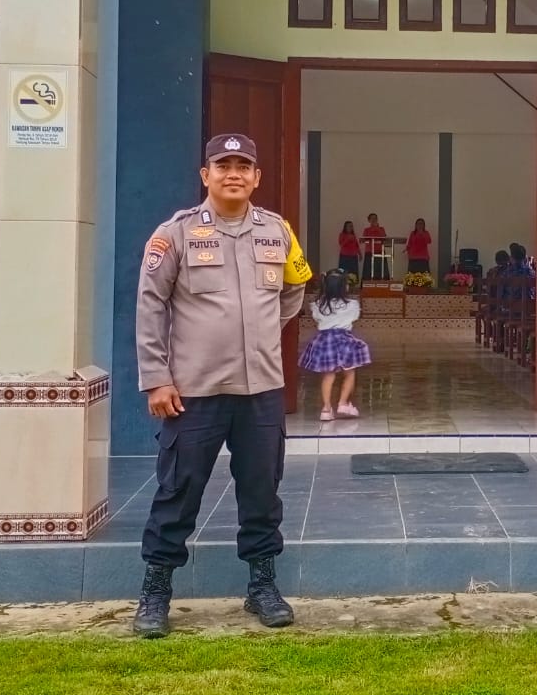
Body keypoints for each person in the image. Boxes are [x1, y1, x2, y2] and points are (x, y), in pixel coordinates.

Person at [132, 132, 313, 638]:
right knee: (178, 490)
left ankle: (262, 587)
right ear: (205, 175)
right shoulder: (175, 234)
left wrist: (258, 331)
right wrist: (157, 378)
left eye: (243, 166)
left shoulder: (278, 231)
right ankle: (155, 592)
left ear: (256, 177)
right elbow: (151, 305)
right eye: (223, 165)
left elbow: (295, 287)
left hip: (261, 390)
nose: (233, 173)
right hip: (194, 392)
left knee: (262, 491)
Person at [300, 269, 371, 421]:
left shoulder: (317, 305)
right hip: (344, 340)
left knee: (328, 375)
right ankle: (343, 403)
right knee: (349, 373)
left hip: (324, 341)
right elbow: (355, 317)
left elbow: (317, 318)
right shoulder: (352, 305)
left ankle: (326, 410)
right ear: (343, 287)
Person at [361, 213, 389, 280]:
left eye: (375, 218)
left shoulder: (381, 228)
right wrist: (373, 229)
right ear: (369, 220)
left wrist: (377, 228)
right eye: (372, 218)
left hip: (380, 251)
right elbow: (364, 239)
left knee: (381, 270)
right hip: (370, 252)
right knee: (369, 271)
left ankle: (381, 284)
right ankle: (368, 284)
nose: (374, 220)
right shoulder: (366, 230)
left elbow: (384, 237)